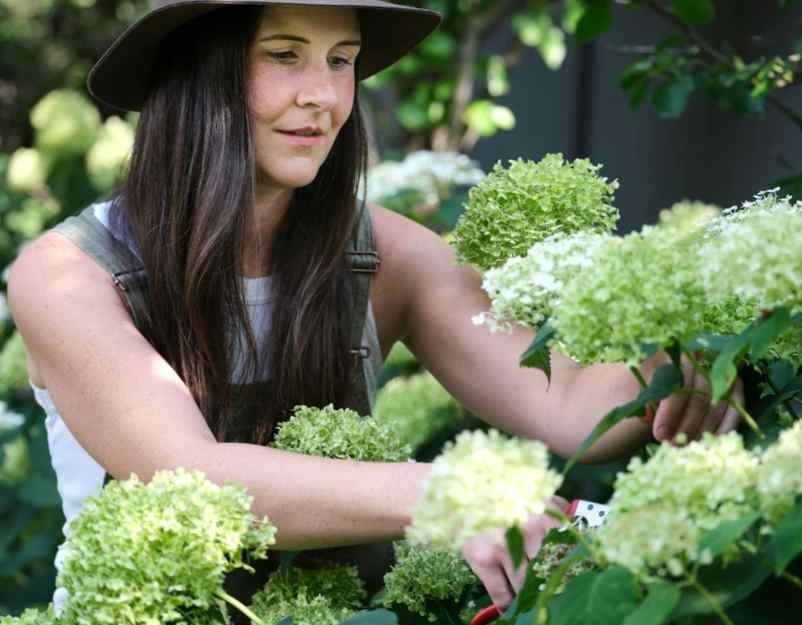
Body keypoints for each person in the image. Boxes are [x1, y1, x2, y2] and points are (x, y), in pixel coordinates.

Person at [7, 0, 741, 615]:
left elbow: (571, 398)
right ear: (203, 68)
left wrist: (678, 363)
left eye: (341, 59)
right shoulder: (69, 275)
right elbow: (188, 474)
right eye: (285, 55)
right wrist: (458, 493)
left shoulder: (383, 252)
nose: (323, 97)